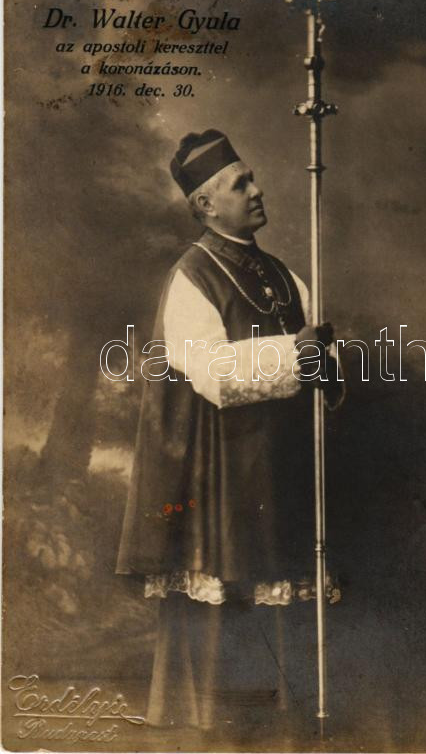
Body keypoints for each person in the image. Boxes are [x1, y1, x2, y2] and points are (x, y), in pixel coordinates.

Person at [116, 129, 344, 738]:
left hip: (279, 465)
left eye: (253, 178)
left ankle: (280, 715)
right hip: (219, 470)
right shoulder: (191, 277)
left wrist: (324, 362)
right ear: (205, 204)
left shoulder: (286, 276)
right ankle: (212, 724)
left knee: (279, 590)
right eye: (242, 184)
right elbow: (214, 375)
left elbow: (317, 356)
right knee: (223, 596)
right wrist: (297, 354)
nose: (258, 189)